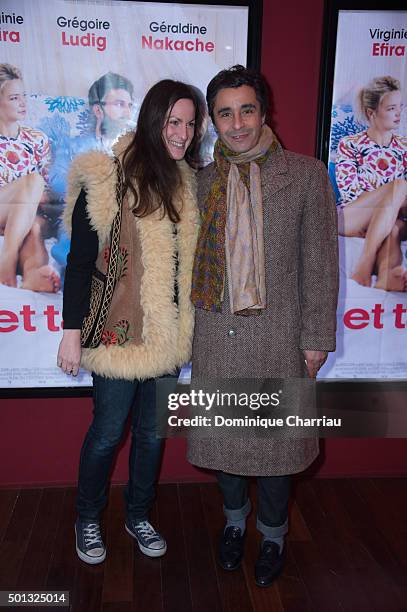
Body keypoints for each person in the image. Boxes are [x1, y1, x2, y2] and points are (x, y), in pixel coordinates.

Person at [188, 65, 338, 587]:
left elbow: (320, 263)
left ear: (263, 111)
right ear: (213, 120)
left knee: (277, 451)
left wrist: (317, 341)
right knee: (226, 444)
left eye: (246, 109)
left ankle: (272, 535)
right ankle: (234, 525)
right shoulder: (201, 181)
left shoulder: (305, 174)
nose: (237, 124)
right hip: (216, 335)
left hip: (280, 338)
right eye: (225, 113)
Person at [56, 79, 204, 564]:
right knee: (106, 432)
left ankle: (139, 514)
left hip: (167, 335)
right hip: (115, 334)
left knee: (151, 433)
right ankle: (88, 518)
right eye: (173, 121)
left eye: (190, 122)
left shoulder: (187, 183)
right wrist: (71, 333)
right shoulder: (106, 175)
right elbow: (79, 263)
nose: (183, 133)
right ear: (152, 119)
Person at [336, 75, 407, 291]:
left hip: (394, 218)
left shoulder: (405, 147)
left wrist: (387, 212)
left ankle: (388, 276)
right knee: (399, 186)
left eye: (400, 107)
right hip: (353, 215)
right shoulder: (350, 144)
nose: (398, 114)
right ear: (371, 112)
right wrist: (389, 202)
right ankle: (365, 265)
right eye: (391, 108)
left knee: (393, 229)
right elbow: (349, 191)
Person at [0, 63, 60, 292]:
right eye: (15, 98)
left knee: (34, 227)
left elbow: (49, 192)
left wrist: (26, 205)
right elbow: (37, 182)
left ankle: (32, 274)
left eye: (24, 96)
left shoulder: (37, 139)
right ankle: (7, 259)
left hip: (27, 214)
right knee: (32, 180)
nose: (24, 103)